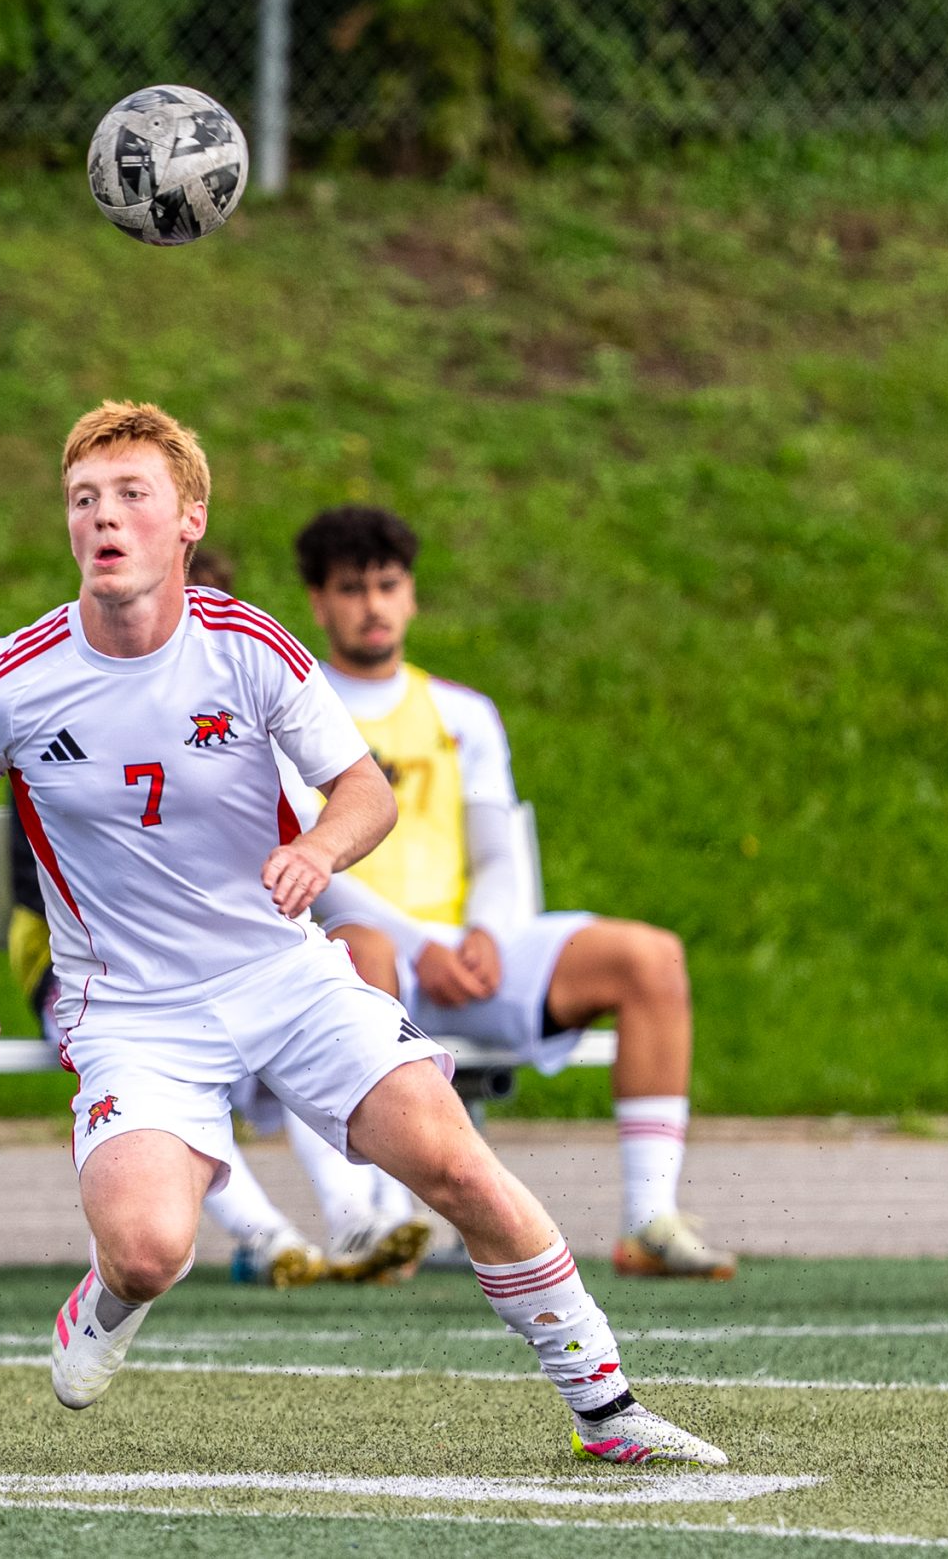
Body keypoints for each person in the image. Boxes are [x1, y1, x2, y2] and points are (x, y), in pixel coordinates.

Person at [0, 403, 723, 1465]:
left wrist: (320, 852)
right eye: (83, 500)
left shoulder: (248, 651)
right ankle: (108, 1302)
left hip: (283, 976)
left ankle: (608, 1412)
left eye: (131, 496)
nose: (103, 518)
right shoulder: (10, 678)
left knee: (459, 1168)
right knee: (151, 1252)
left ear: (187, 520)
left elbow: (363, 791)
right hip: (135, 1012)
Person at [291, 506, 736, 1279]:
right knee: (357, 951)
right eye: (351, 588)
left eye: (388, 585)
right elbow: (314, 865)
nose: (372, 604)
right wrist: (421, 946)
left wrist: (487, 934)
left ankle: (648, 1221)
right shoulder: (295, 708)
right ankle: (382, 1228)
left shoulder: (464, 713)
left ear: (412, 596)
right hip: (366, 961)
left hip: (468, 958)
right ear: (318, 602)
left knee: (650, 957)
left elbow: (496, 852)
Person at [5, 549, 425, 1288]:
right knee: (176, 1070)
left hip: (229, 960)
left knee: (307, 1009)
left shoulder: (238, 707)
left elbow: (306, 840)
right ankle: (267, 1236)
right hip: (102, 975)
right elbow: (41, 871)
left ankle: (356, 1215)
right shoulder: (61, 708)